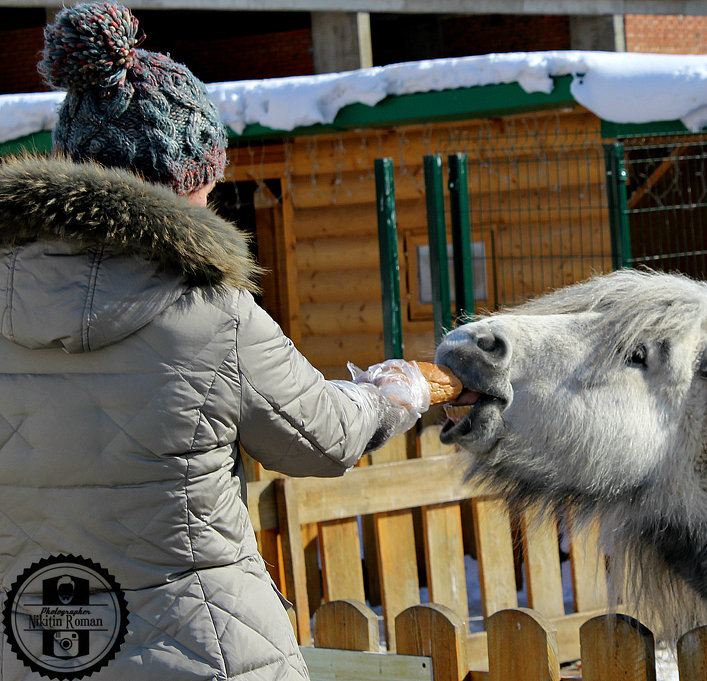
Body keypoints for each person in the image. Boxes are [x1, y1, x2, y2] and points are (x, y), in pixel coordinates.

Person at [0, 4, 425, 679]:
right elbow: (322, 437)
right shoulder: (212, 312)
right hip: (206, 655)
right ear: (189, 180)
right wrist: (391, 395)